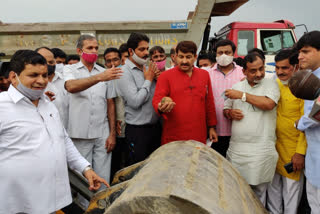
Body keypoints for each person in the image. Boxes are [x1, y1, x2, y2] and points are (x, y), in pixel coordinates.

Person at [0, 50, 108, 214]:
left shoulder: (48, 104)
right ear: (14, 77)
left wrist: (86, 169)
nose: (41, 81)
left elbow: (63, 140)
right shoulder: (2, 107)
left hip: (52, 199)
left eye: (44, 75)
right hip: (16, 203)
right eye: (33, 75)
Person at [63, 34, 122, 185]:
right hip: (79, 134)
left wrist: (112, 134)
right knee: (83, 179)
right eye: (90, 48)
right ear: (79, 51)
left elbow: (110, 103)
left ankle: (101, 207)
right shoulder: (69, 70)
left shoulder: (103, 71)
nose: (94, 51)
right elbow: (71, 87)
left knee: (103, 177)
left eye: (96, 48)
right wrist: (100, 77)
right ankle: (85, 208)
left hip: (102, 134)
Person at [223, 52, 280, 205]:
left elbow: (268, 104)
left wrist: (242, 95)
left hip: (261, 150)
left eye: (261, 69)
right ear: (244, 72)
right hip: (238, 150)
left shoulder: (271, 84)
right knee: (238, 190)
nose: (259, 74)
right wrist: (230, 113)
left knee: (260, 192)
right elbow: (226, 108)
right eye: (253, 71)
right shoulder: (237, 86)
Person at [152, 40, 218, 145]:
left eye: (188, 57)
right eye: (181, 57)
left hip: (198, 134)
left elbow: (209, 102)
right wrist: (161, 106)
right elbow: (157, 99)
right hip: (174, 134)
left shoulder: (204, 75)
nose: (184, 61)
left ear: (195, 57)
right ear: (175, 57)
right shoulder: (165, 76)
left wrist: (212, 127)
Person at [267, 49, 306, 214]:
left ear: (295, 67)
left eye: (285, 68)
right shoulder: (274, 84)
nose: (279, 72)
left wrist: (300, 153)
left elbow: (306, 123)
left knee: (291, 194)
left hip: (292, 152)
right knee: (273, 191)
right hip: (273, 149)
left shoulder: (304, 88)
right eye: (277, 68)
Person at [116, 32, 161, 165]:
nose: (146, 53)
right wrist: (149, 80)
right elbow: (135, 102)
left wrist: (158, 80)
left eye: (147, 49)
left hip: (155, 129)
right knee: (137, 171)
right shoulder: (124, 72)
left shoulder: (149, 69)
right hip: (137, 132)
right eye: (141, 49)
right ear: (131, 51)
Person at [295, 31, 320, 214]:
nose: (300, 56)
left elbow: (317, 114)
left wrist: (300, 124)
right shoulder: (309, 77)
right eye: (299, 52)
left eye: (306, 51)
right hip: (314, 160)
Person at [207, 39, 244, 157]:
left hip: (237, 131)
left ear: (233, 53)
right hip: (214, 131)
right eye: (220, 52)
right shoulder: (207, 74)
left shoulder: (243, 74)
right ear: (215, 54)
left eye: (227, 52)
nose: (223, 55)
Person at [103, 47, 127, 179]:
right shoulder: (102, 79)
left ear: (121, 60)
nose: (113, 64)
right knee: (115, 166)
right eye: (109, 61)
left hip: (128, 128)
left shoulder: (127, 78)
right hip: (112, 131)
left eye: (116, 60)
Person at [36, 47, 69, 128]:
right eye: (43, 62)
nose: (48, 65)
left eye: (51, 62)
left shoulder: (67, 80)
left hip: (69, 133)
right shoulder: (31, 84)